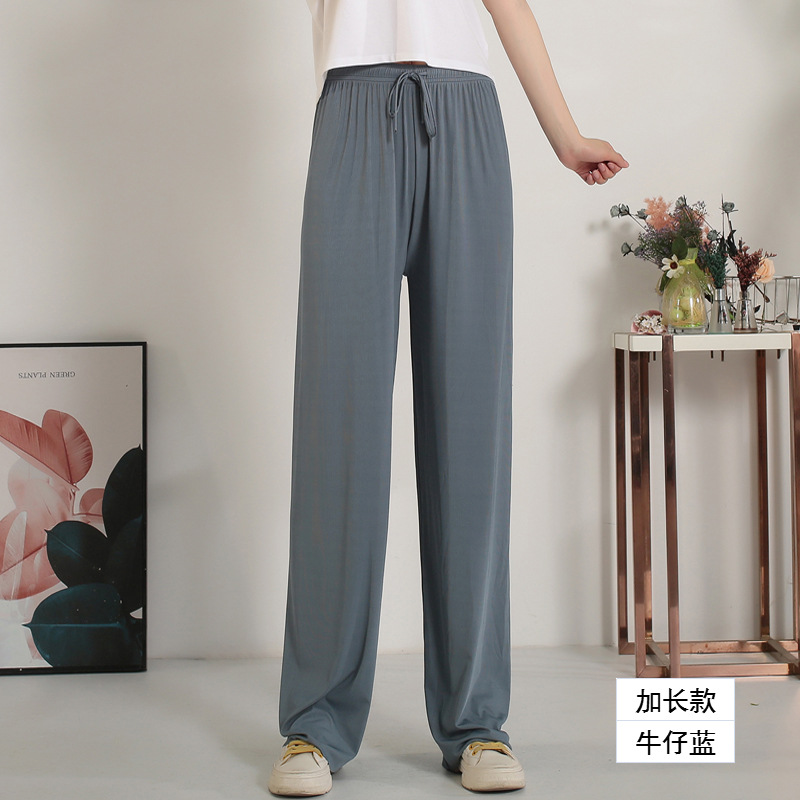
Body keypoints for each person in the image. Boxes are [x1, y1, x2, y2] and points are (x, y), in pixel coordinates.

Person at [269, 0, 628, 795]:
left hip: (466, 115)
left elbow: (508, 5)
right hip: (353, 109)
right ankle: (314, 725)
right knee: (338, 429)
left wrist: (565, 137)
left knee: (470, 430)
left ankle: (477, 724)